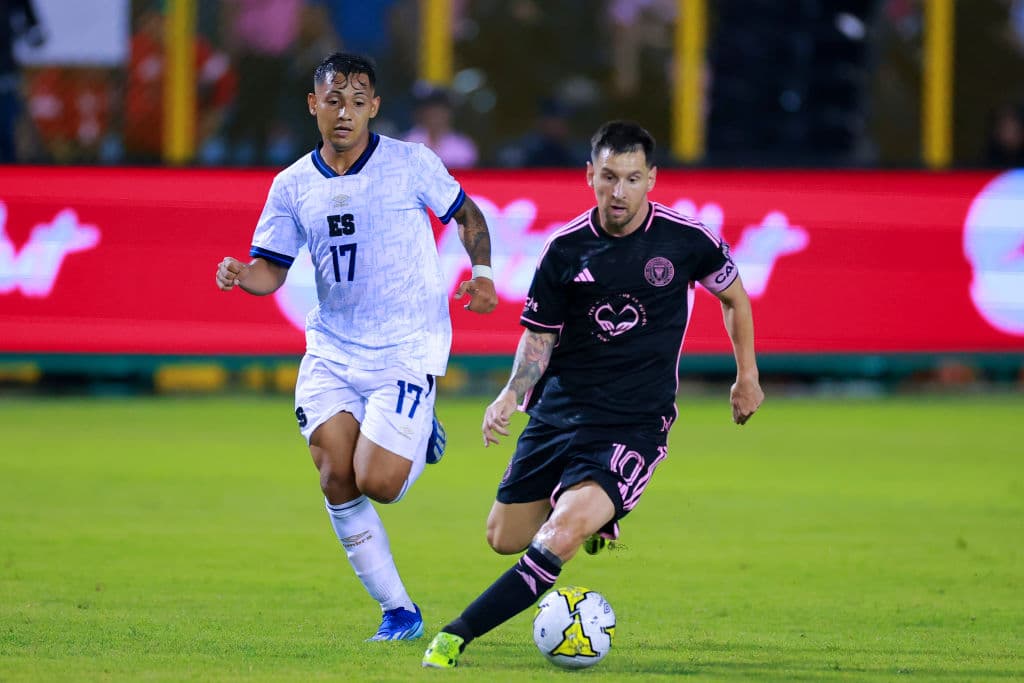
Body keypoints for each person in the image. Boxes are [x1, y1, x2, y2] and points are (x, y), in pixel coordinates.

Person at [422, 120, 763, 668]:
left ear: (651, 179)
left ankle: (455, 635)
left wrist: (746, 375)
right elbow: (540, 338)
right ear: (589, 176)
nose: (619, 191)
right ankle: (590, 510)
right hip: (558, 415)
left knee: (560, 533)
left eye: (631, 178)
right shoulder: (565, 249)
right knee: (503, 537)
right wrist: (511, 395)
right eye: (608, 177)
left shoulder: (686, 240)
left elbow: (735, 298)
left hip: (633, 423)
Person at [215, 52, 498, 641]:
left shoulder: (409, 163)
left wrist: (484, 272)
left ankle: (421, 431)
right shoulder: (291, 185)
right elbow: (272, 268)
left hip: (403, 348)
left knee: (380, 483)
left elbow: (467, 215)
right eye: (333, 100)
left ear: (373, 106)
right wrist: (244, 274)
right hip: (333, 350)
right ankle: (399, 611)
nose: (345, 112)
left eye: (357, 100)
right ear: (313, 105)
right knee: (334, 475)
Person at [402, 83, 478, 169]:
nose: (435, 116)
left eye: (439, 111)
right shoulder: (408, 141)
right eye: (430, 111)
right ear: (421, 113)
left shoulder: (463, 145)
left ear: (449, 114)